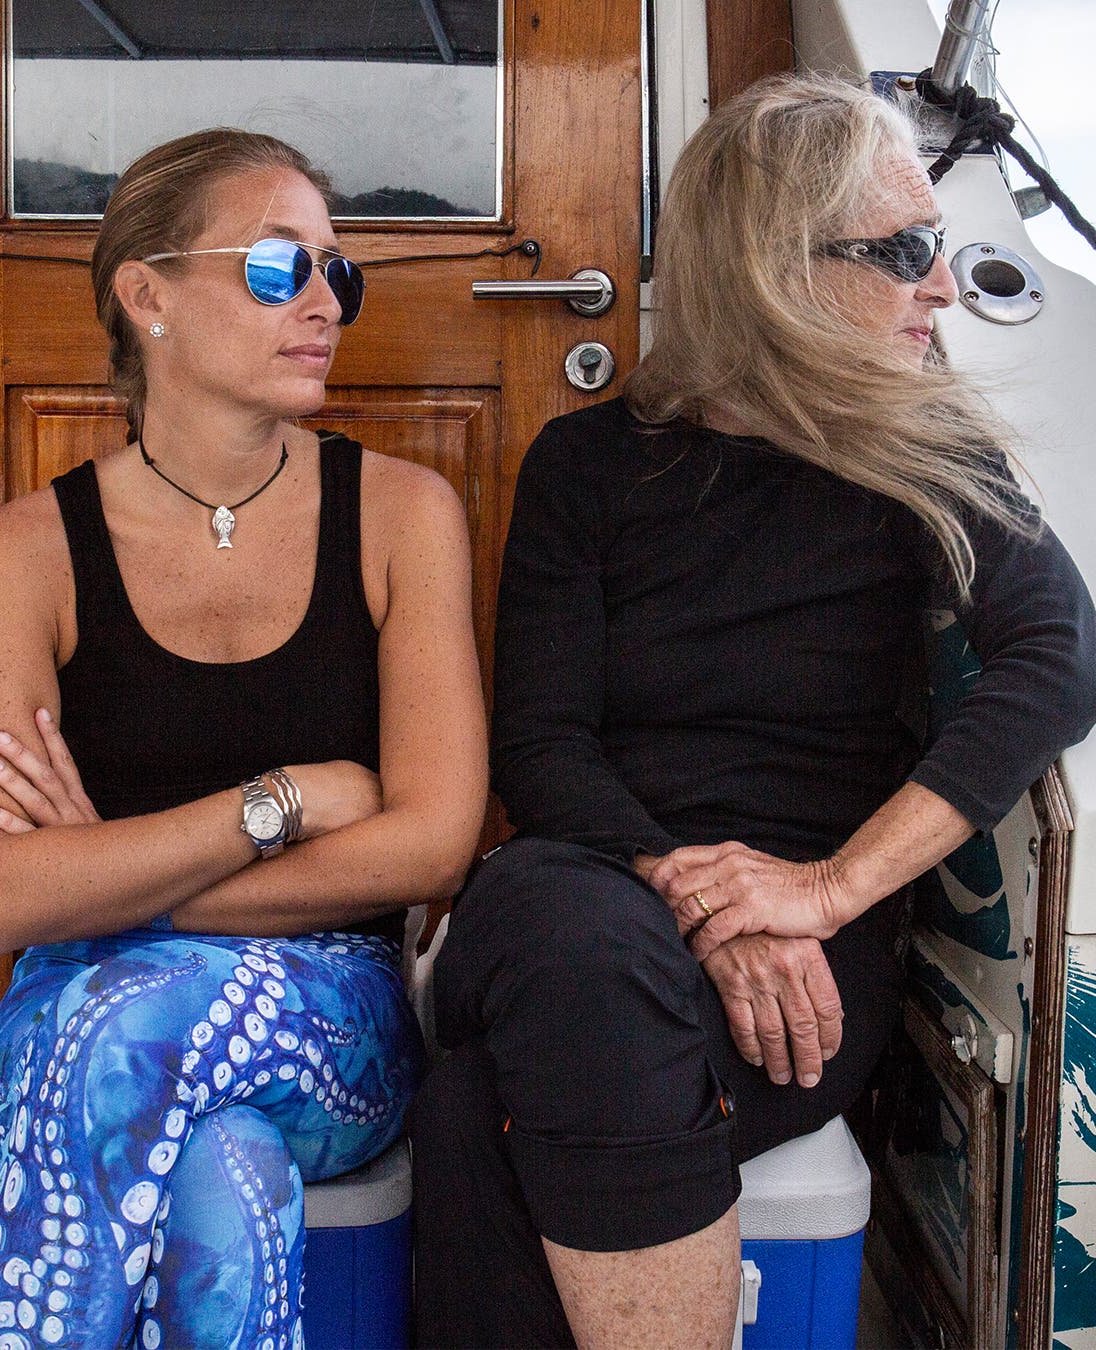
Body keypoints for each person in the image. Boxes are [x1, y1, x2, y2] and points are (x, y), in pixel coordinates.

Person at [409, 73, 1096, 1347]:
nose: (942, 285)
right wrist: (701, 894)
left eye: (938, 246)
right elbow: (545, 747)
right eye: (902, 253)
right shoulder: (588, 466)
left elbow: (1056, 659)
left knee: (467, 1115)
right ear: (779, 269)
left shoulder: (923, 453)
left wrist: (827, 892)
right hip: (586, 877)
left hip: (811, 933)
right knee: (580, 946)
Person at [0, 128, 486, 1347]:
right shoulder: (27, 554)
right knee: (217, 1178)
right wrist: (279, 801)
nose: (326, 306)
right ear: (149, 296)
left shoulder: (401, 516)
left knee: (121, 1034)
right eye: (282, 269)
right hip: (70, 994)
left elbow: (432, 846)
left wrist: (115, 884)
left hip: (331, 1012)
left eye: (338, 276)